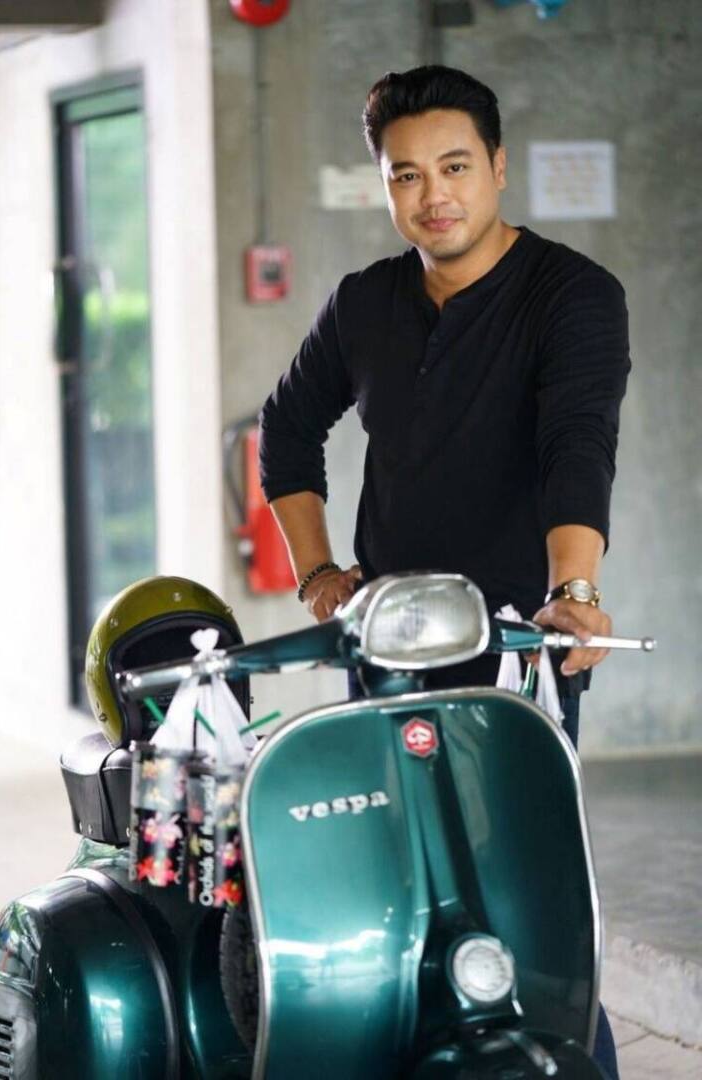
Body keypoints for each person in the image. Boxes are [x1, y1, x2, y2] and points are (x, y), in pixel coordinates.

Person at [258, 65, 629, 1078]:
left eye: (455, 166)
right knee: (392, 893)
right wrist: (318, 572)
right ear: (385, 185)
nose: (434, 195)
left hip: (518, 650)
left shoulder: (572, 296)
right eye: (407, 174)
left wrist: (574, 593)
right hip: (384, 647)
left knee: (523, 907)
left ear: (499, 167)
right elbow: (287, 433)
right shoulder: (365, 302)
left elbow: (578, 445)